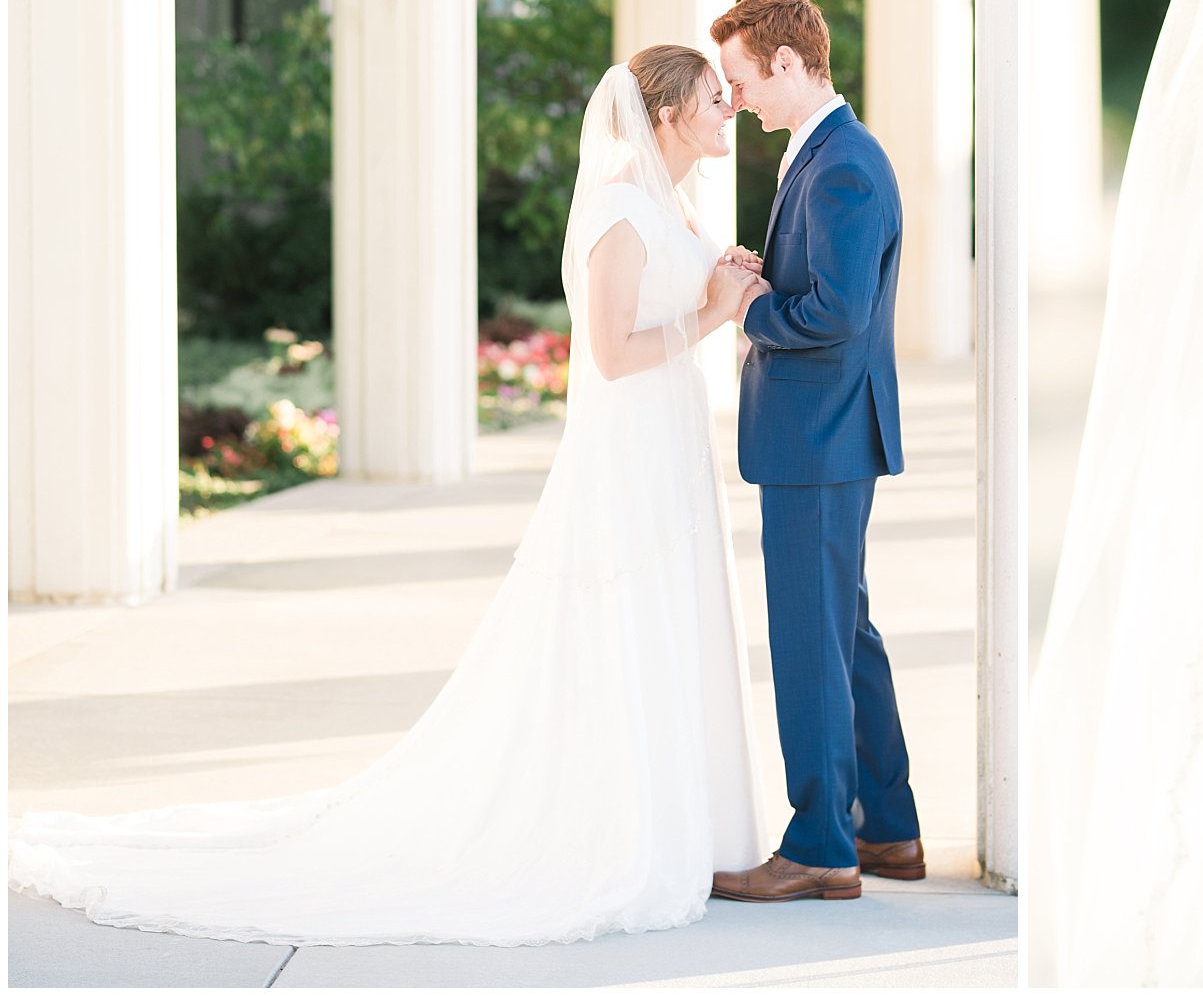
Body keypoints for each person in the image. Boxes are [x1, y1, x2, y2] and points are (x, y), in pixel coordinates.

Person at [10, 47, 771, 946]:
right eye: (715, 100)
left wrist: (717, 273)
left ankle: (690, 826)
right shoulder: (617, 214)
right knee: (622, 619)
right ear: (672, 114)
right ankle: (622, 830)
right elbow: (611, 356)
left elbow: (680, 294)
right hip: (630, 450)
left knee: (672, 615)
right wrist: (717, 312)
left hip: (672, 443)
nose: (729, 110)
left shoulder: (673, 202)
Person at [707, 0, 923, 904]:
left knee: (809, 639)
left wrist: (749, 308)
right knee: (843, 631)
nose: (737, 97)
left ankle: (822, 845)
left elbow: (837, 314)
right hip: (825, 431)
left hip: (819, 435)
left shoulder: (843, 166)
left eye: (742, 78)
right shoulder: (827, 154)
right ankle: (888, 830)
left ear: (788, 65)